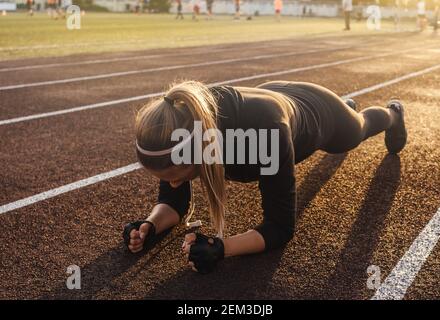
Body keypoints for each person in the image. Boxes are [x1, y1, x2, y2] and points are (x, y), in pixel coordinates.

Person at [123, 80, 407, 274]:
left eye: (176, 176)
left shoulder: (265, 135)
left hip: (319, 113)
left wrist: (221, 248)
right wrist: (150, 225)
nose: (174, 182)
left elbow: (280, 227)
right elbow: (173, 201)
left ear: (201, 150)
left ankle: (392, 113)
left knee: (357, 130)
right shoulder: (183, 123)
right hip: (273, 98)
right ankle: (348, 105)